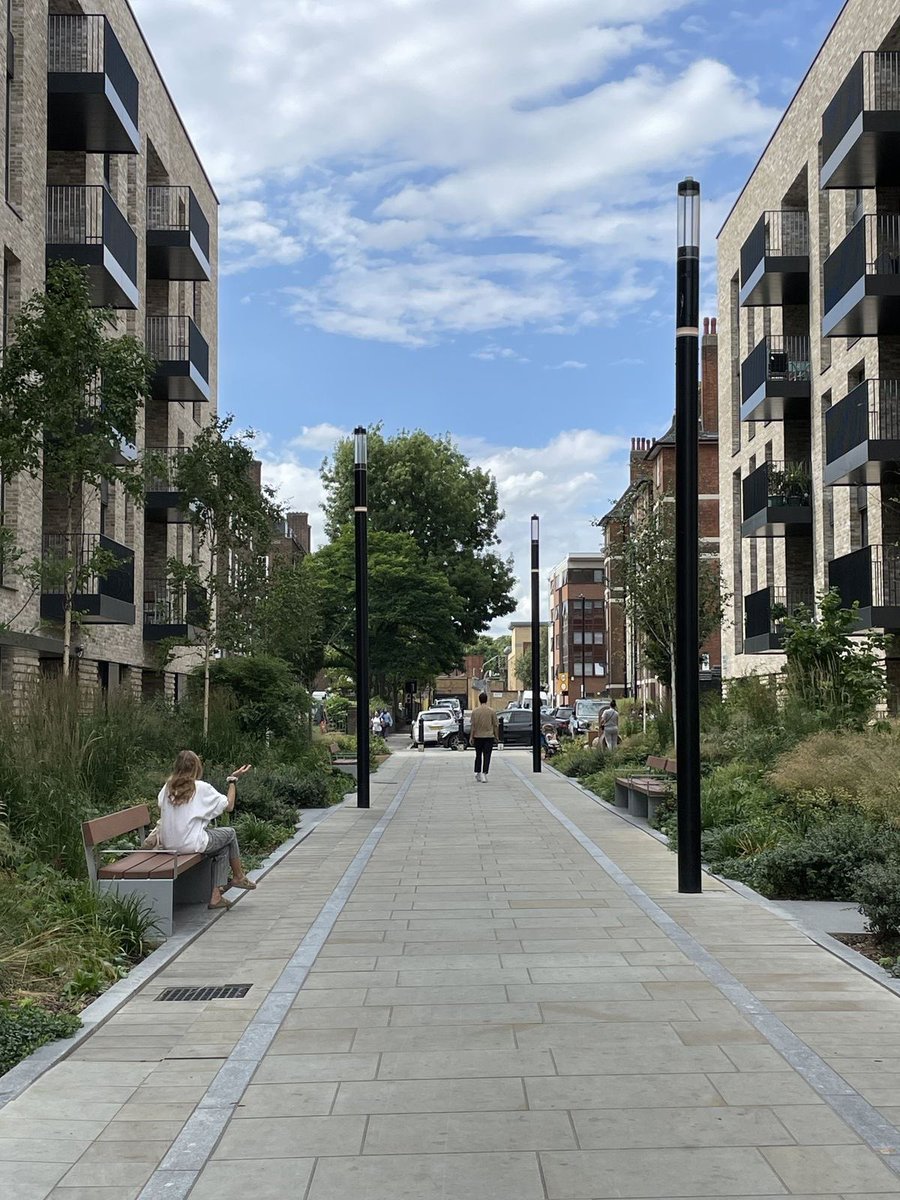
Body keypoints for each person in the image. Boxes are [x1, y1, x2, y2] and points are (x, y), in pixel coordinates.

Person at [157, 752, 253, 911]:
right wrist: (232, 780)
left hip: (169, 845)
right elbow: (228, 806)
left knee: (223, 848)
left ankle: (217, 896)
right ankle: (238, 876)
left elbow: (161, 804)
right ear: (197, 768)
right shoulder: (200, 787)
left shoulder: (168, 786)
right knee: (230, 833)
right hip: (191, 843)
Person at [469, 692, 499, 783]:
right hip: (489, 736)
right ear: (487, 699)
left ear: (479, 700)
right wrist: (496, 736)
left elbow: (472, 725)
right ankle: (484, 773)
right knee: (487, 755)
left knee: (478, 755)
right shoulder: (492, 711)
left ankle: (477, 772)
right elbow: (495, 725)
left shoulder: (475, 711)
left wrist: (471, 737)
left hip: (478, 736)